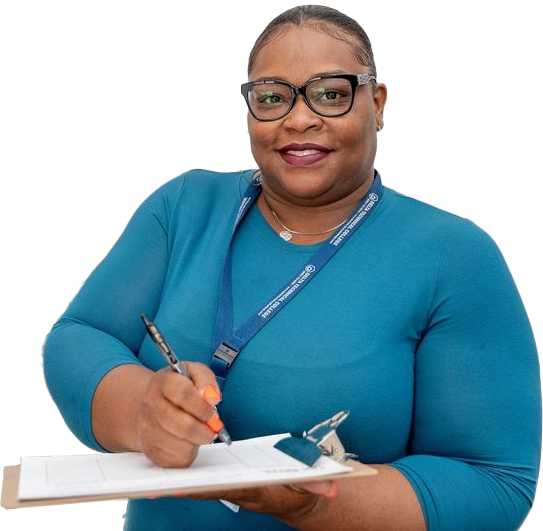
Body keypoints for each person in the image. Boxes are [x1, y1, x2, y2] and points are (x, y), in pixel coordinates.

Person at [41, 4, 540, 530]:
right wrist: (142, 409)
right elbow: (79, 334)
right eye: (272, 98)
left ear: (377, 103)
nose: (299, 119)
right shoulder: (185, 207)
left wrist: (314, 504)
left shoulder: (453, 255)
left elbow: (492, 483)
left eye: (331, 94)